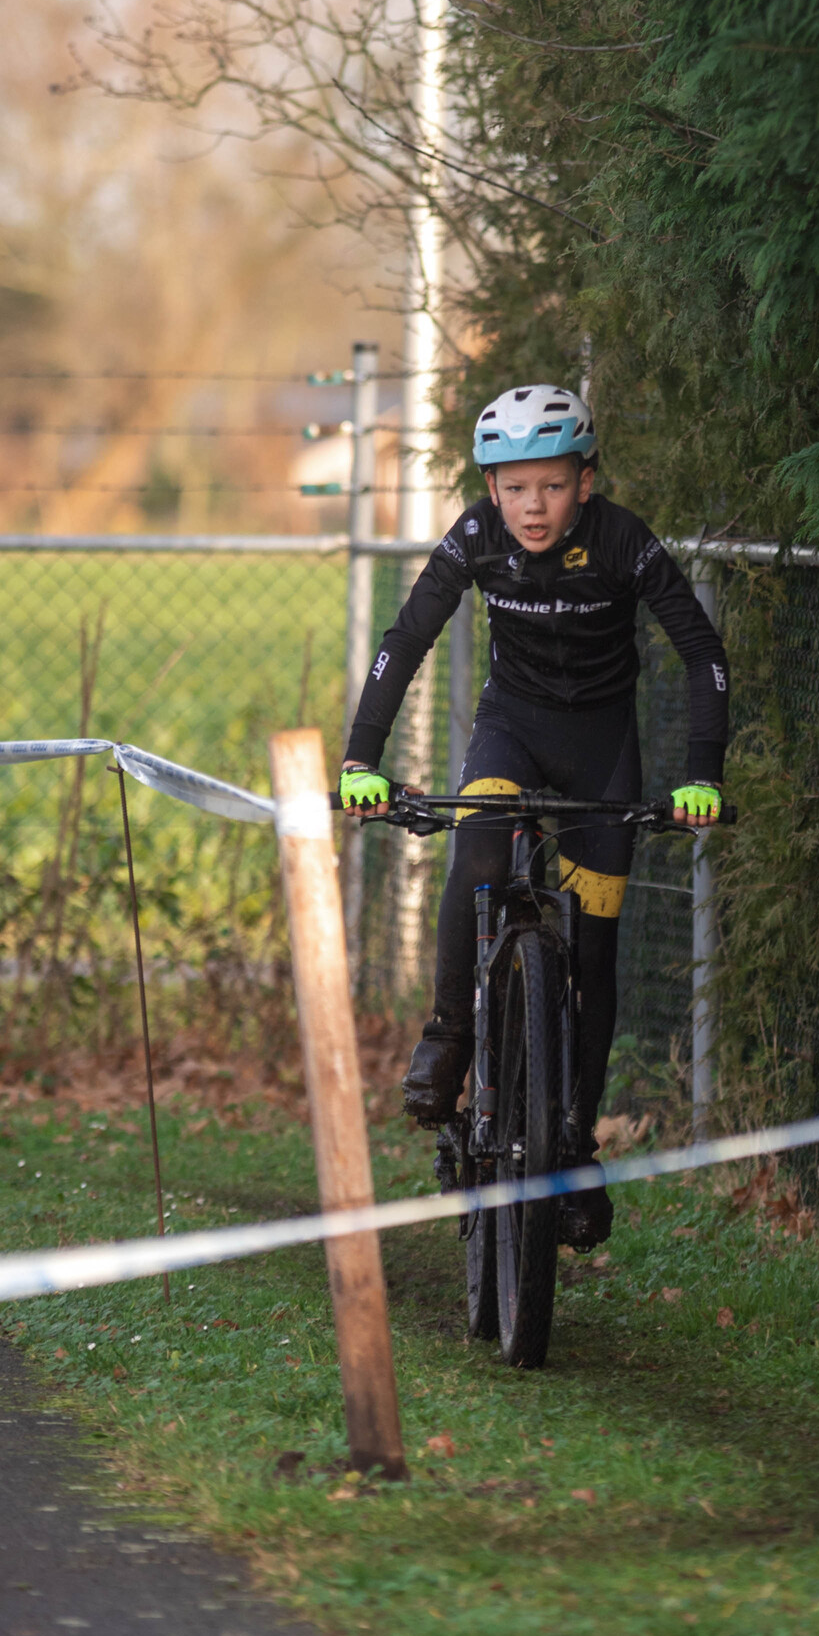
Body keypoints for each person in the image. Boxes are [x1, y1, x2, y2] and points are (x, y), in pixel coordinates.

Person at [338, 382, 727, 1247]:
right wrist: (362, 760)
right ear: (490, 489)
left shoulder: (624, 540)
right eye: (513, 487)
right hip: (511, 732)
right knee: (478, 855)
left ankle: (573, 1143)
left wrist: (703, 777)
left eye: (550, 484)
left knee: (593, 951)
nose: (532, 506)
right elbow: (405, 640)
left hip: (602, 751)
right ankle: (447, 1039)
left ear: (585, 481)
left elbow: (701, 651)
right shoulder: (478, 538)